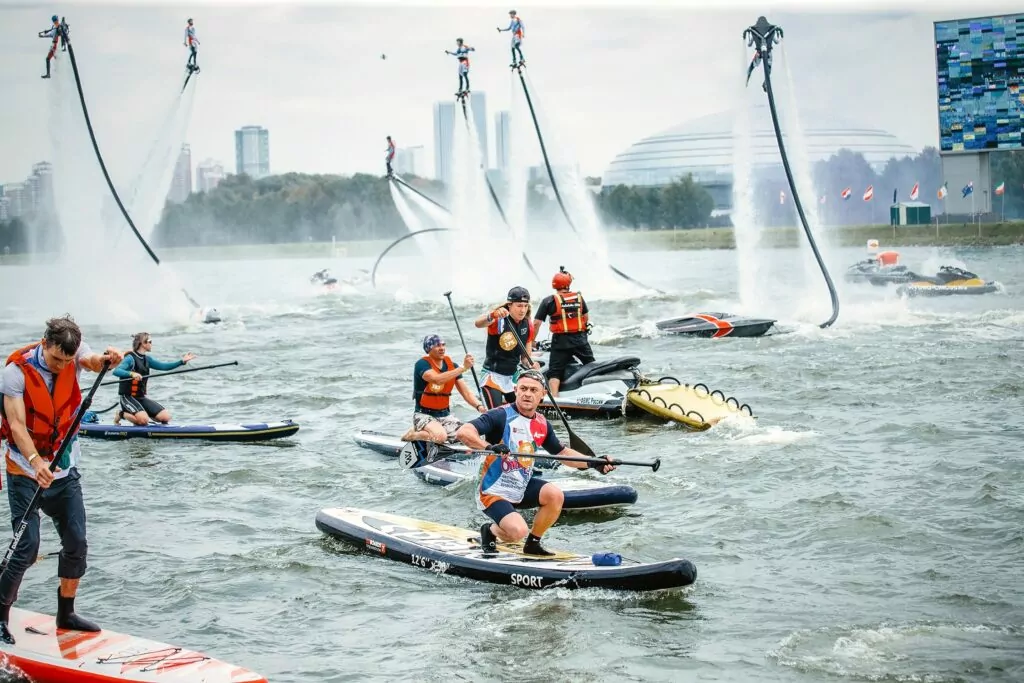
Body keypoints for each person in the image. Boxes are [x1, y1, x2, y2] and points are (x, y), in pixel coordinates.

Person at [0, 316, 125, 644]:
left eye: (67, 362)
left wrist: (109, 360)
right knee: (26, 547)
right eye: (56, 359)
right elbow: (15, 425)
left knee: (77, 542)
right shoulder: (14, 373)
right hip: (25, 472)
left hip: (64, 471)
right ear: (44, 344)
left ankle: (65, 613)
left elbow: (93, 362)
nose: (60, 367)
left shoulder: (75, 355)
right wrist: (34, 461)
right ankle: (0, 616)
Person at [455, 370, 614, 556]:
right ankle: (490, 531)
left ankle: (533, 544)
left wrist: (594, 463)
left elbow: (562, 453)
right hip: (493, 490)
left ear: (542, 394)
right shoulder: (499, 415)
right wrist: (489, 446)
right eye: (523, 388)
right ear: (515, 390)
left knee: (555, 495)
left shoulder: (542, 423)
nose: (527, 394)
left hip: (521, 485)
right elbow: (464, 432)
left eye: (533, 390)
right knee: (517, 532)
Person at [401, 334, 486, 444]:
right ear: (429, 349)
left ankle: (438, 434)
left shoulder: (453, 367)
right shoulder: (421, 364)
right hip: (424, 415)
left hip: (445, 416)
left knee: (469, 435)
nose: (442, 348)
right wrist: (463, 368)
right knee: (440, 437)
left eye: (443, 345)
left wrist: (480, 407)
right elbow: (437, 379)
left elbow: (466, 393)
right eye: (437, 345)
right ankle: (412, 435)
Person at [533, 267, 595, 397]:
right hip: (580, 340)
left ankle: (555, 399)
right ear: (568, 284)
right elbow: (586, 318)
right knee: (592, 366)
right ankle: (595, 392)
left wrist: (531, 341)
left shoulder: (549, 301)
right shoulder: (579, 297)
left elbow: (536, 323)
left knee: (555, 372)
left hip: (561, 341)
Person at [474, 286, 538, 409]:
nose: (523, 310)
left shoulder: (528, 325)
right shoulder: (499, 321)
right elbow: (477, 323)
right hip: (492, 377)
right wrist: (492, 315)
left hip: (512, 377)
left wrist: (532, 366)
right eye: (519, 306)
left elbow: (525, 359)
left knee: (521, 414)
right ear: (509, 305)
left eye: (525, 306)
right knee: (495, 416)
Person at [112, 333, 195, 426]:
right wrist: (131, 373)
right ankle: (121, 414)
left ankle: (141, 414)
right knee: (143, 421)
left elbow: (164, 366)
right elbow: (116, 371)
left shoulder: (147, 359)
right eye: (150, 342)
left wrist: (181, 362)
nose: (152, 344)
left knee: (165, 417)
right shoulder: (130, 358)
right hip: (127, 397)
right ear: (143, 343)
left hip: (140, 397)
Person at [38, 15, 60, 79]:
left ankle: (48, 74)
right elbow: (51, 34)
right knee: (56, 58)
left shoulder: (57, 27)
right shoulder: (56, 27)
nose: (55, 22)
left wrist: (43, 35)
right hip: (55, 45)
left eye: (55, 20)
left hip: (54, 45)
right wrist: (44, 34)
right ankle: (56, 71)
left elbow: (51, 34)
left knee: (48, 59)